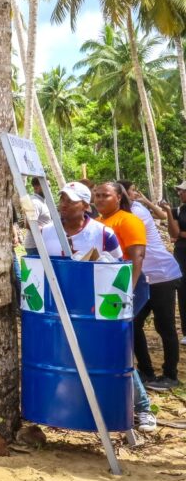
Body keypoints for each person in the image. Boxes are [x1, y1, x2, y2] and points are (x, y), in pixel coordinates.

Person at [93, 181, 157, 432]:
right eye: (96, 196)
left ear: (118, 197)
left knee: (118, 346)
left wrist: (126, 293)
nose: (99, 199)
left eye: (105, 195)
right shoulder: (98, 221)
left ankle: (143, 408)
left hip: (127, 289)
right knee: (110, 347)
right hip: (105, 293)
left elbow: (137, 257)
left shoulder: (127, 221)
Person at [119, 181, 181, 391]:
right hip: (144, 277)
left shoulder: (136, 212)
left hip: (162, 275)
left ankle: (171, 375)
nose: (135, 194)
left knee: (165, 327)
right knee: (133, 324)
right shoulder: (122, 214)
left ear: (121, 196)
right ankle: (146, 372)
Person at [26, 182, 121, 259]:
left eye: (71, 201)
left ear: (86, 206)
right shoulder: (45, 232)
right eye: (62, 199)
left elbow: (119, 270)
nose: (64, 204)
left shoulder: (104, 234)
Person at [173, 182, 186, 346]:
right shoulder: (178, 211)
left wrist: (181, 233)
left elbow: (178, 233)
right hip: (181, 254)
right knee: (183, 292)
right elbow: (174, 233)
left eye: (182, 191)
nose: (180, 194)